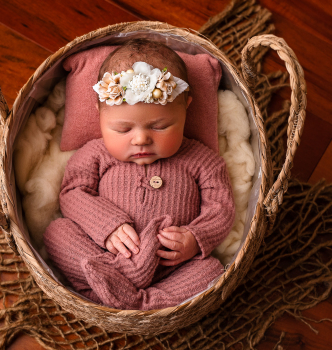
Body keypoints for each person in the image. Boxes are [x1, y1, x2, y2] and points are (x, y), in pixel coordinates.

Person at [43, 38, 235, 310]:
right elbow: (73, 193)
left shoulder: (203, 159)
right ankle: (113, 283)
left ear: (185, 108)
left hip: (170, 267)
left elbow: (221, 208)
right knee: (57, 232)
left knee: (212, 270)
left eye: (160, 126)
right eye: (123, 129)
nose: (141, 139)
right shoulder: (94, 153)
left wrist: (195, 238)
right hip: (104, 255)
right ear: (99, 113)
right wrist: (107, 226)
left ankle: (133, 301)